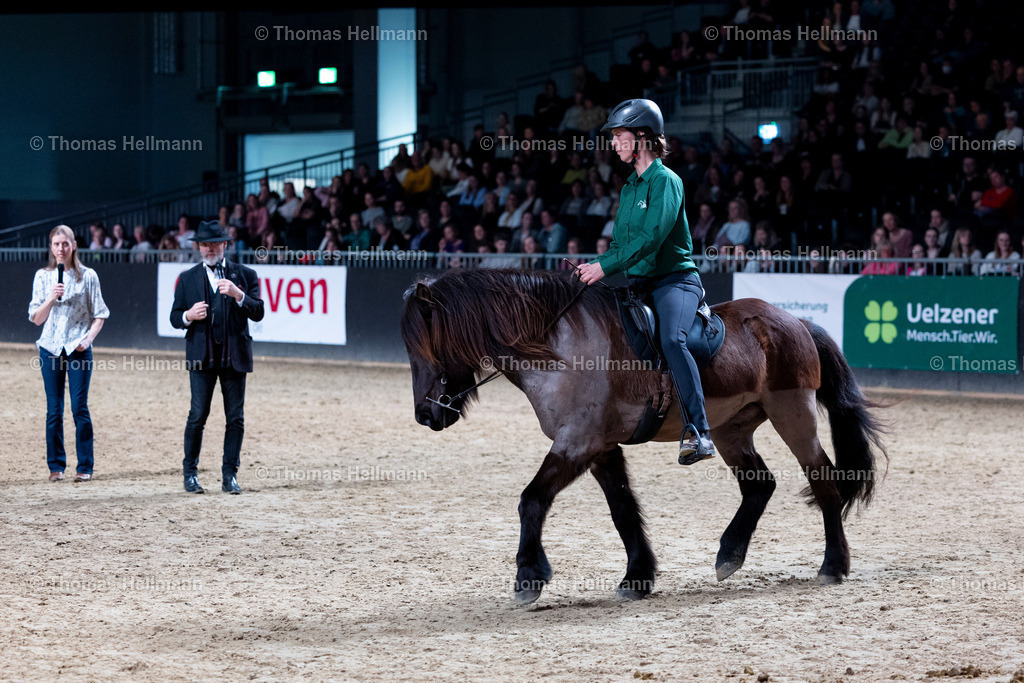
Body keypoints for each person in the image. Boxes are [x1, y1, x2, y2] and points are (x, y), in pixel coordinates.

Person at [575, 98, 715, 465]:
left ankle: (699, 432)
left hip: (675, 281)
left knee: (672, 338)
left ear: (641, 137)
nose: (613, 144)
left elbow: (652, 237)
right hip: (639, 283)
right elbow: (621, 244)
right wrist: (595, 265)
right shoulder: (629, 187)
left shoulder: (667, 181)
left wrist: (606, 267)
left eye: (618, 136)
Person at [169, 220, 265, 495]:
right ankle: (190, 474)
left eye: (214, 243)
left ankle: (229, 476)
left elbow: (258, 311)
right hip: (202, 357)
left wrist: (239, 295)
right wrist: (188, 316)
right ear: (199, 247)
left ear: (225, 244)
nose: (209, 249)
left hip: (234, 356)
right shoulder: (187, 278)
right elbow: (175, 316)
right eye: (204, 244)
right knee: (197, 415)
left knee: (235, 418)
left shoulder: (245, 274)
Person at [28, 225, 110, 483]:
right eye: (56, 244)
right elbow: (36, 319)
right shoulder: (42, 277)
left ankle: (85, 465)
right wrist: (51, 298)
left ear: (74, 245)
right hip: (50, 348)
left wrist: (88, 339)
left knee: (79, 407)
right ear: (51, 248)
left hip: (78, 349)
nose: (61, 249)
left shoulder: (88, 276)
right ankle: (56, 465)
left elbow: (100, 313)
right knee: (54, 410)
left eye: (65, 244)